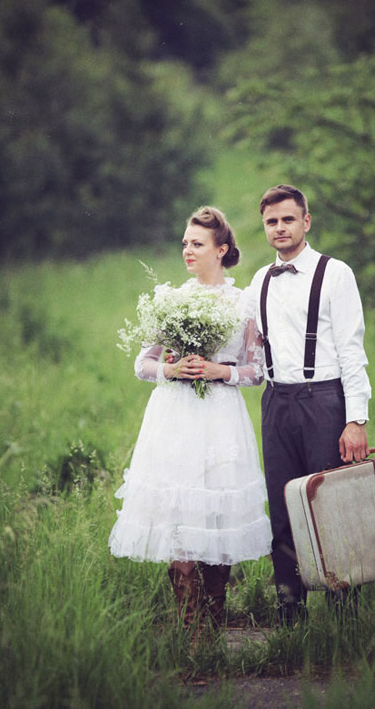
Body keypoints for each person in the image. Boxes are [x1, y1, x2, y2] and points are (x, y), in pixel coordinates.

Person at [109, 207, 272, 632]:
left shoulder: (243, 303)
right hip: (175, 419)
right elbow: (141, 364)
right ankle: (190, 633)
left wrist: (222, 372)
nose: (187, 250)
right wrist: (172, 369)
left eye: (196, 244)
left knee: (217, 525)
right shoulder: (169, 300)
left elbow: (258, 371)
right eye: (184, 243)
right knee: (179, 523)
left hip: (220, 418)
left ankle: (214, 626)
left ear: (221, 250)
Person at [248, 184, 371, 624]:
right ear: (264, 227)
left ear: (306, 221)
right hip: (276, 401)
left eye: (287, 219)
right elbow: (243, 343)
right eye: (271, 222)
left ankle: (345, 612)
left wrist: (355, 419)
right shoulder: (260, 280)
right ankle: (290, 608)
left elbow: (352, 350)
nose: (279, 228)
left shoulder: (335, 273)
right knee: (282, 506)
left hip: (324, 401)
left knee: (331, 504)